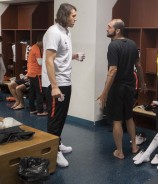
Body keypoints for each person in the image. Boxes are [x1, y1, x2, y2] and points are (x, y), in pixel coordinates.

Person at [42, 3, 84, 168]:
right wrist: (54, 86)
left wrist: (74, 56)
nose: (75, 19)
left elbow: (60, 55)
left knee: (61, 117)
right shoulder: (53, 32)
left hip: (65, 81)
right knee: (54, 119)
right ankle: (53, 151)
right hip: (56, 83)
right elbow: (49, 60)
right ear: (64, 15)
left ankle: (57, 143)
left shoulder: (66, 32)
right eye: (73, 16)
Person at [98, 19, 147, 160]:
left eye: (109, 27)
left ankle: (119, 151)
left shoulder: (113, 46)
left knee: (117, 120)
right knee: (129, 117)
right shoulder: (132, 44)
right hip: (130, 87)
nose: (106, 29)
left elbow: (112, 70)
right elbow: (138, 66)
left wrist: (104, 93)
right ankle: (134, 147)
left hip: (117, 88)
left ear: (117, 30)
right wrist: (142, 82)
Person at [26, 34, 47, 116]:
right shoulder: (36, 49)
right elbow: (40, 62)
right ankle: (40, 111)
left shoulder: (34, 47)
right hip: (36, 74)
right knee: (39, 93)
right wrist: (48, 60)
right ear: (40, 41)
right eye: (44, 42)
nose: (44, 44)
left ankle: (32, 109)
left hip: (31, 73)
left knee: (32, 92)